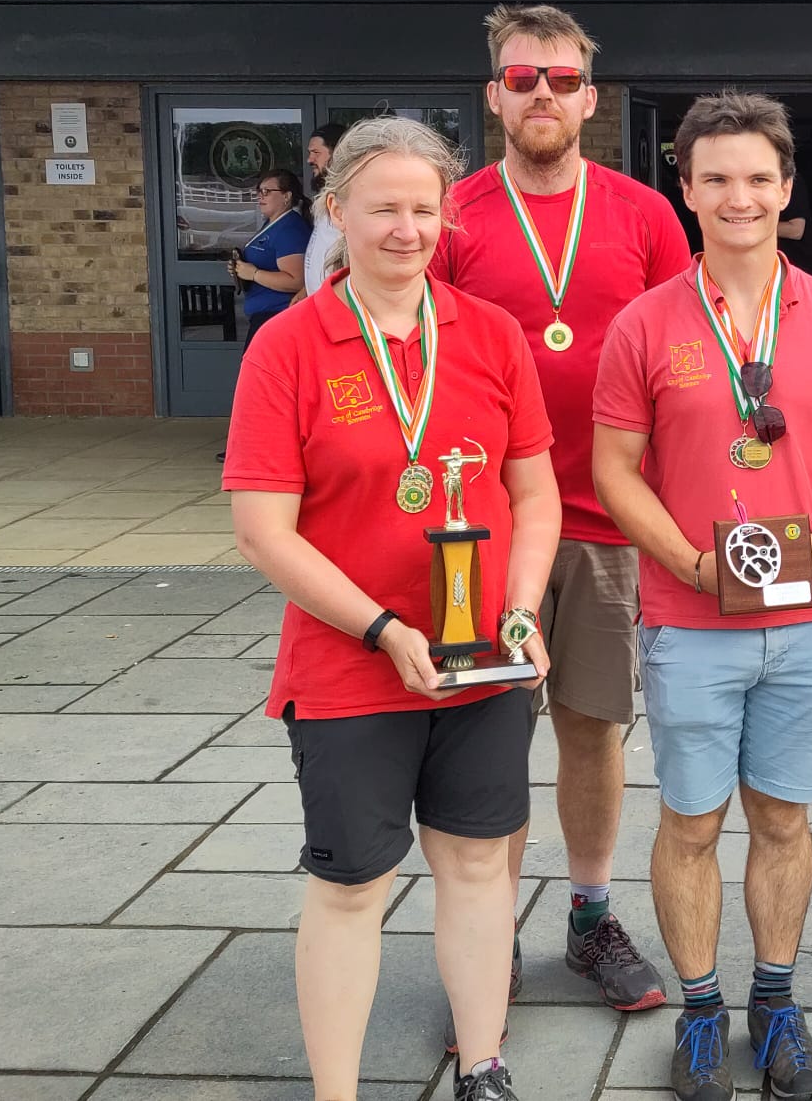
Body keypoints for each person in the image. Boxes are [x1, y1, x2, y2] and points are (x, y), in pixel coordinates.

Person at [223, 117, 561, 1101]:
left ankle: (483, 1062)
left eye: (424, 208)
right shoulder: (289, 347)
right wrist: (381, 629)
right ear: (337, 211)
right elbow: (263, 532)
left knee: (477, 866)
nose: (406, 229)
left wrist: (522, 610)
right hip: (350, 668)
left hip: (481, 661)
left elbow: (534, 493)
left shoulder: (490, 334)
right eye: (382, 209)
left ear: (447, 214)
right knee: (352, 885)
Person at [591, 91, 812, 1101]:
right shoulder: (643, 322)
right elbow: (613, 468)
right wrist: (686, 561)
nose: (739, 197)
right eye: (715, 178)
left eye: (758, 177)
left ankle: (777, 1001)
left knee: (784, 821)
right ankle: (702, 1009)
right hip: (690, 617)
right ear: (685, 188)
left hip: (809, 616)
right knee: (690, 823)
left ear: (787, 186)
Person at [432, 3, 690, 1019]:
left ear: (589, 98)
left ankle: (589, 916)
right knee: (489, 739)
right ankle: (486, 931)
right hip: (481, 531)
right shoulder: (452, 214)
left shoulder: (644, 213)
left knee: (593, 729)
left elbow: (683, 353)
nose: (542, 92)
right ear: (493, 96)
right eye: (521, 77)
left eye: (561, 78)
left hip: (607, 520)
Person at [230, 168, 311, 340]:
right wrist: (240, 269)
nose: (260, 196)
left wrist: (254, 274)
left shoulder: (290, 229)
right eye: (259, 191)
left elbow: (297, 281)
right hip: (267, 317)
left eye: (266, 191)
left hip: (277, 317)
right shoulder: (273, 223)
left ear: (286, 196)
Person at [301, 122, 348, 299]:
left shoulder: (349, 198)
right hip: (318, 301)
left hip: (339, 304)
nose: (309, 160)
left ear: (336, 154)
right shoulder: (327, 196)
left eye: (316, 153)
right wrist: (305, 290)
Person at [776, 170, 812, 277]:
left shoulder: (791, 181)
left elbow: (796, 230)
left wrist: (756, 226)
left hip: (804, 270)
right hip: (780, 270)